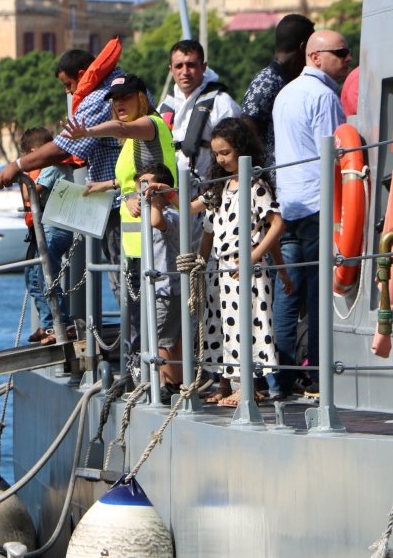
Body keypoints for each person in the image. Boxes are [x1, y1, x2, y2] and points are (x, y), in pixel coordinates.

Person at [61, 74, 178, 361]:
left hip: (156, 236)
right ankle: (143, 373)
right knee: (138, 310)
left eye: (125, 96)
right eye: (114, 99)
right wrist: (106, 185)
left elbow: (121, 126)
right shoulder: (130, 141)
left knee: (155, 314)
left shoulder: (150, 124)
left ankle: (156, 380)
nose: (119, 103)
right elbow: (130, 179)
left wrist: (86, 132)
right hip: (136, 239)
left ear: (141, 97)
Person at [0, 49, 124, 299]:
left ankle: (134, 335)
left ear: (81, 74)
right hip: (111, 197)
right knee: (119, 271)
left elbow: (62, 148)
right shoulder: (120, 84)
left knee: (122, 273)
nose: (68, 92)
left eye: (68, 84)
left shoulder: (100, 96)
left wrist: (18, 165)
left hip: (118, 201)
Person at [267, 29, 351, 400]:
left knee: (286, 294)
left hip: (288, 206)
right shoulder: (323, 95)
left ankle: (281, 379)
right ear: (316, 57)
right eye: (341, 52)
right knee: (318, 292)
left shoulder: (285, 94)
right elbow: (334, 152)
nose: (348, 59)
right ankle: (317, 375)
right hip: (317, 206)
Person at [191, 119, 288, 407]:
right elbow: (198, 216)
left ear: (241, 150)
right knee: (219, 325)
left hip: (244, 269)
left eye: (226, 153)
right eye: (216, 154)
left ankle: (244, 387)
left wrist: (255, 257)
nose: (220, 159)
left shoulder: (254, 185)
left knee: (244, 326)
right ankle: (225, 384)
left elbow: (276, 223)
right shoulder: (220, 187)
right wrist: (161, 194)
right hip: (219, 270)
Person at [19, 127, 74, 346]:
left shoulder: (51, 166)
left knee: (46, 278)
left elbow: (30, 193)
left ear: (35, 152)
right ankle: (47, 322)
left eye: (28, 156)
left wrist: (22, 176)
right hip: (44, 228)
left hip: (55, 228)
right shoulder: (48, 167)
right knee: (32, 278)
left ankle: (60, 325)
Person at [240, 14, 316, 170]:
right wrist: (267, 164)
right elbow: (246, 127)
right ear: (303, 48)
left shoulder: (289, 79)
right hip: (272, 180)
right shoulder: (266, 81)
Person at [158, 39, 241, 180]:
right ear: (171, 69)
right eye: (179, 66)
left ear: (203, 67)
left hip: (209, 189)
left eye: (191, 65)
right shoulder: (163, 108)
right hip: (173, 191)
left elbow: (239, 149)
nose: (185, 72)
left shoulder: (222, 103)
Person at [135, 163, 183, 401]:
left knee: (155, 338)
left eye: (150, 187)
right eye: (141, 188)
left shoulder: (170, 216)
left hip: (167, 287)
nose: (144, 193)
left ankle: (156, 384)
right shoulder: (147, 213)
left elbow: (157, 222)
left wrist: (156, 199)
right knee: (161, 339)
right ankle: (161, 384)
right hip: (158, 287)